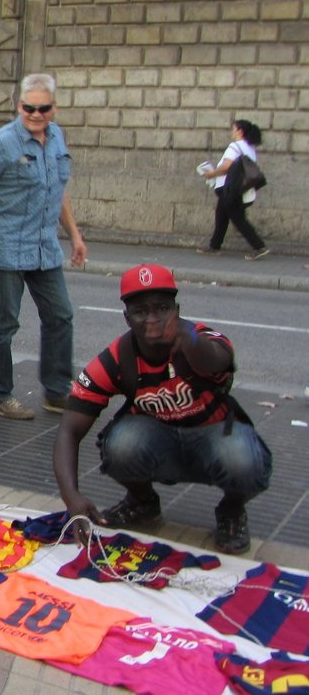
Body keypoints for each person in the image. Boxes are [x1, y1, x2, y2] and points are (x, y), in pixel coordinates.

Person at [53, 264, 271, 555]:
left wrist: (190, 342)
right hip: (160, 443)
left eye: (162, 308)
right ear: (127, 318)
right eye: (141, 311)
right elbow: (69, 429)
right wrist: (72, 498)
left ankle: (231, 510)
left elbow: (221, 359)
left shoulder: (198, 338)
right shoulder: (117, 358)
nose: (153, 320)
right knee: (120, 444)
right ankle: (143, 502)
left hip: (214, 437)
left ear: (176, 310)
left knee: (244, 459)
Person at [0, 73, 87, 420]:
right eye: (29, 107)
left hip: (45, 247)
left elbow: (57, 192)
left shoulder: (57, 137)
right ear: (19, 106)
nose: (35, 114)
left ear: (53, 108)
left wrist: (75, 236)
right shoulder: (2, 143)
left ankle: (57, 391)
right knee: (5, 324)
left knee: (61, 315)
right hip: (9, 248)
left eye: (43, 108)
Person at [197, 119, 268, 261]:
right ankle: (214, 246)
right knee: (221, 215)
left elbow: (226, 166)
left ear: (240, 131)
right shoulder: (249, 148)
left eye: (233, 129)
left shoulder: (235, 146)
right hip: (237, 189)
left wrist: (211, 174)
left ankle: (259, 247)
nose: (232, 131)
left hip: (229, 189)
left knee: (239, 219)